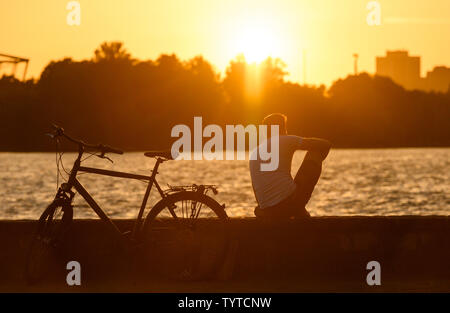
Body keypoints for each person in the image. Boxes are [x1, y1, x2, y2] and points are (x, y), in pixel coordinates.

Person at [249, 113, 331, 219]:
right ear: (283, 127)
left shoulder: (256, 151)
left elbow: (256, 189)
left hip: (267, 210)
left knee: (286, 182)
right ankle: (298, 208)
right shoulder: (285, 140)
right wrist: (318, 162)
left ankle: (298, 209)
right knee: (315, 151)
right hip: (289, 203)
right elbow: (326, 144)